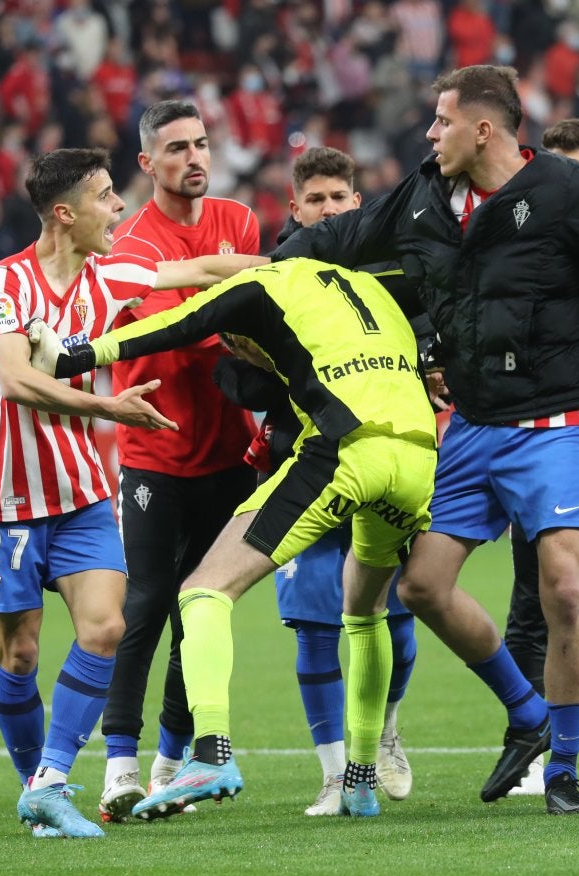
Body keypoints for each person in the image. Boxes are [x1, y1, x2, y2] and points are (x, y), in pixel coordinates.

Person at [274, 65, 579, 815]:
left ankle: (567, 767)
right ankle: (529, 713)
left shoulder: (565, 192)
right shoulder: (422, 196)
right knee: (420, 586)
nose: (429, 134)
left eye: (441, 121)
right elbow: (343, 240)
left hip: (554, 424)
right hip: (474, 425)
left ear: (483, 129)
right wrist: (270, 269)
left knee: (567, 589)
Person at [30, 256, 438, 820]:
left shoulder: (257, 285)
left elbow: (173, 326)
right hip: (419, 457)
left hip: (349, 446)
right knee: (366, 615)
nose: (240, 355)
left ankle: (212, 752)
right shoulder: (371, 284)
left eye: (238, 347)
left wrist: (73, 355)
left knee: (203, 592)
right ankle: (361, 782)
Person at [0, 147, 262, 838]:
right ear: (65, 213)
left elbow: (205, 269)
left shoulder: (114, 270)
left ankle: (50, 781)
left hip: (81, 493)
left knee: (105, 627)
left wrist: (295, 264)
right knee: (21, 654)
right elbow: (14, 380)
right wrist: (110, 410)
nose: (120, 208)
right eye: (105, 197)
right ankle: (38, 783)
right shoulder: (3, 284)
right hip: (4, 496)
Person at [224, 146, 420, 814]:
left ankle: (384, 731)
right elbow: (241, 380)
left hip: (386, 467)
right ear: (295, 210)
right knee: (314, 622)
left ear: (357, 205)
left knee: (395, 620)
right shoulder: (273, 279)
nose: (330, 210)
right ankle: (337, 774)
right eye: (317, 201)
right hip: (304, 466)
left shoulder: (391, 271)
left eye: (341, 199)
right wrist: (259, 358)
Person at [95, 100, 263, 824]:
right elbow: (165, 330)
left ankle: (173, 759)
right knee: (146, 605)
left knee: (204, 609)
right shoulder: (128, 242)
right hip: (155, 453)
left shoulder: (240, 220)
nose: (194, 157)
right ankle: (118, 766)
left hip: (228, 453)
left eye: (201, 144)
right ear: (146, 164)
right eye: (176, 148)